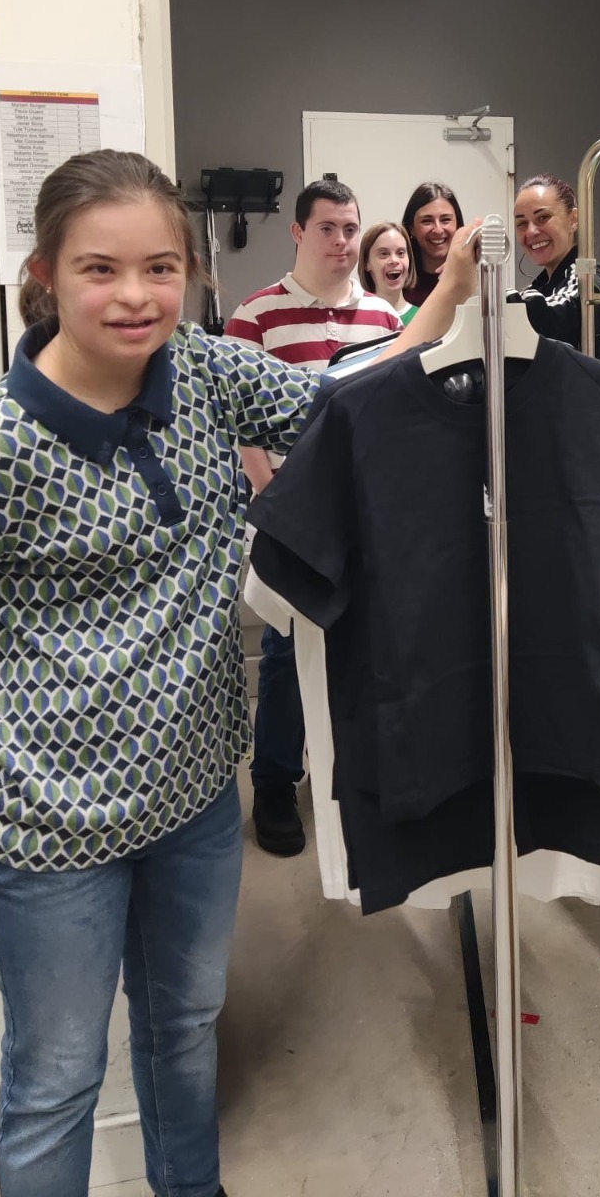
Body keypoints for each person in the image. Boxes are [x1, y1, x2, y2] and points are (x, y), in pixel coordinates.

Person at [0, 149, 480, 1197]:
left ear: (189, 272)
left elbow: (344, 401)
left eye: (160, 267)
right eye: (99, 268)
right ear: (45, 275)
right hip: (44, 826)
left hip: (196, 797)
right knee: (58, 1076)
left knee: (186, 1026)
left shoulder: (202, 371)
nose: (136, 295)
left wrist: (446, 302)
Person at [224, 178, 402, 858]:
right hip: (291, 512)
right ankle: (274, 781)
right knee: (283, 649)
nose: (343, 241)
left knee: (364, 644)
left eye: (351, 228)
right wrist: (266, 487)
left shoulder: (383, 319)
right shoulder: (257, 315)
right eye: (327, 228)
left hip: (364, 512)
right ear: (298, 232)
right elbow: (236, 414)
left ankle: (354, 778)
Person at [512, 173, 600, 361]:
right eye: (521, 223)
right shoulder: (540, 287)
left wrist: (495, 300)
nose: (531, 231)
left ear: (573, 219)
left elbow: (555, 321)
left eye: (543, 217)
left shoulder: (590, 280)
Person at [401, 181, 464, 307]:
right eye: (427, 221)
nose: (438, 230)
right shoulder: (398, 283)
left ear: (457, 224)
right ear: (411, 228)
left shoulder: (472, 277)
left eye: (445, 220)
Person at [359, 219, 419, 325]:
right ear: (366, 263)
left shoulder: (422, 318)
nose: (394, 260)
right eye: (384, 254)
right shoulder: (357, 319)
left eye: (400, 253)